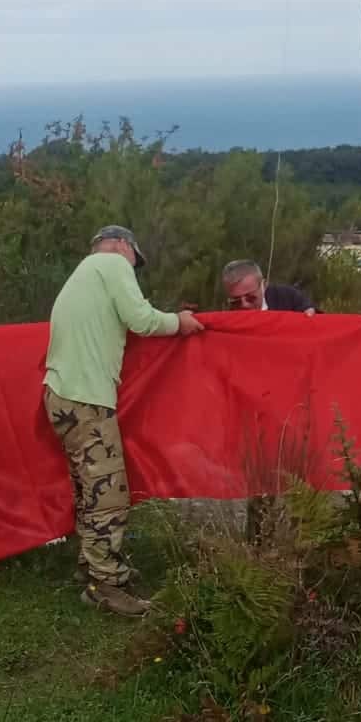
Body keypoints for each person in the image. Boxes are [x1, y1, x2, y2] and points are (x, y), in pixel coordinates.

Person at [43, 226, 205, 617]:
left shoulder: (84, 273)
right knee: (108, 494)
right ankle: (107, 587)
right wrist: (179, 323)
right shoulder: (112, 263)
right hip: (86, 396)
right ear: (121, 245)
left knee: (89, 488)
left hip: (61, 393)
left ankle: (93, 567)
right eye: (136, 257)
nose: (135, 266)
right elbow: (141, 319)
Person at [219, 259, 316, 314]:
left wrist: (311, 315)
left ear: (264, 285)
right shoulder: (225, 314)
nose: (244, 305)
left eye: (250, 298)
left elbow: (316, 319)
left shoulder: (288, 297)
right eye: (236, 301)